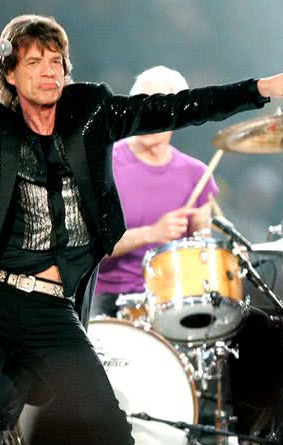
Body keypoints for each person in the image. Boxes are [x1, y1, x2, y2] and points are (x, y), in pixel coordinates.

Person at [0, 14, 283, 445]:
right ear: (8, 72)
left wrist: (262, 89)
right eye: (34, 62)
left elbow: (178, 106)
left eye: (56, 61)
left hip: (51, 308)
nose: (49, 71)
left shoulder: (93, 115)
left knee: (114, 434)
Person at [92, 65, 218, 318]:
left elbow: (203, 247)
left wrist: (212, 249)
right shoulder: (104, 163)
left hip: (172, 300)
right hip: (109, 303)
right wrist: (152, 233)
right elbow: (89, 246)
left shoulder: (197, 174)